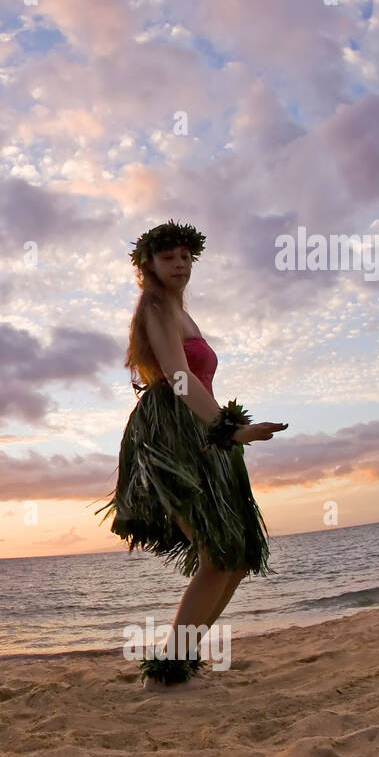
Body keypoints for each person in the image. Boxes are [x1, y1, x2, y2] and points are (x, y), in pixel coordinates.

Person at [96, 221, 288, 688]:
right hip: (177, 434)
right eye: (169, 257)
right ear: (148, 265)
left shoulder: (181, 311)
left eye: (186, 257)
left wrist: (223, 430)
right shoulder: (156, 306)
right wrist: (232, 429)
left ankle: (181, 661)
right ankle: (165, 674)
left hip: (202, 432)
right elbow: (179, 379)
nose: (180, 264)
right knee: (217, 554)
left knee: (236, 556)